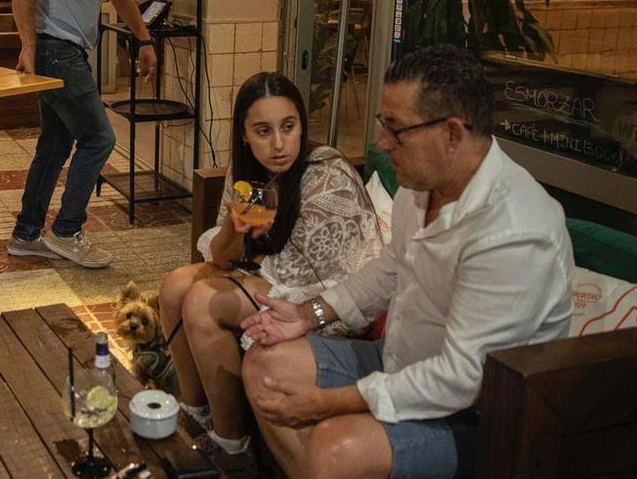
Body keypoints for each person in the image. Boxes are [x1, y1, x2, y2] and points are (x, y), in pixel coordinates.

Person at [239, 44, 574, 479]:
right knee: (265, 365)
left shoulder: (513, 231)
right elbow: (390, 269)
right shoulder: (420, 187)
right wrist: (308, 314)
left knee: (335, 448)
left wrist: (329, 403)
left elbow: (461, 379)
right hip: (398, 360)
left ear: (452, 134)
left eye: (395, 130)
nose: (381, 143)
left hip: (480, 417)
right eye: (384, 124)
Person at [157, 72, 382, 473]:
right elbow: (225, 255)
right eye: (263, 131)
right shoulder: (249, 173)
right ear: (244, 135)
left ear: (301, 126)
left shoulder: (327, 177)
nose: (278, 144)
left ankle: (232, 445)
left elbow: (347, 283)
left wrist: (249, 272)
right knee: (175, 284)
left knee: (205, 299)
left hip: (329, 306)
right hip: (276, 279)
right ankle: (195, 415)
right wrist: (233, 228)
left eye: (288, 127)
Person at [6, 0, 158, 269]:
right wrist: (28, 46)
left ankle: (26, 234)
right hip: (56, 50)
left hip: (70, 50)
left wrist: (144, 38)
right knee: (99, 139)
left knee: (55, 145)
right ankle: (67, 230)